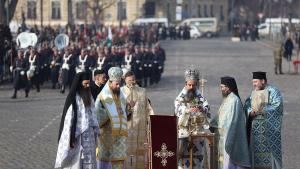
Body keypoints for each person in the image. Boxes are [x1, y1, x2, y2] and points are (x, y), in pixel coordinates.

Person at [55, 72, 99, 169]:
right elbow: (69, 120)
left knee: (90, 160)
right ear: (79, 84)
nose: (88, 86)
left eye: (89, 83)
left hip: (90, 134)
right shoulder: (73, 98)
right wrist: (71, 138)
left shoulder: (89, 96)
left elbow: (93, 114)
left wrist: (95, 130)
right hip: (77, 136)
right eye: (85, 84)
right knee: (77, 162)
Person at [244, 72, 283, 169]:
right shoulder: (254, 92)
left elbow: (277, 107)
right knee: (255, 155)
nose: (254, 84)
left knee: (270, 157)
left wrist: (262, 110)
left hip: (268, 131)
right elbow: (247, 106)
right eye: (253, 82)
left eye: (256, 82)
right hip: (256, 132)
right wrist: (250, 112)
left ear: (263, 81)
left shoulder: (273, 91)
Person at [210, 76, 250, 169]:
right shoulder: (227, 99)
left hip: (229, 137)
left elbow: (233, 121)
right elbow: (219, 116)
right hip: (222, 135)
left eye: (222, 87)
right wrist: (211, 124)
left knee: (228, 164)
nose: (221, 89)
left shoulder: (234, 100)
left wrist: (228, 136)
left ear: (228, 87)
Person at [174, 68, 210, 169]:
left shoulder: (200, 96)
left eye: (193, 85)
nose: (191, 87)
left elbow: (207, 108)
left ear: (196, 84)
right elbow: (177, 108)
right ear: (185, 84)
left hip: (197, 132)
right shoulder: (180, 96)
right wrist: (187, 110)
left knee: (197, 158)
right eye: (189, 85)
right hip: (184, 131)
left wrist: (201, 108)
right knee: (182, 156)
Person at [95, 67, 128, 169]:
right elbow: (97, 112)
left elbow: (124, 111)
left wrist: (129, 110)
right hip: (107, 133)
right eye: (116, 84)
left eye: (120, 84)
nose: (118, 86)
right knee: (106, 160)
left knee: (118, 159)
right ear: (110, 82)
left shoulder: (121, 95)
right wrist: (110, 114)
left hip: (120, 135)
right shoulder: (103, 96)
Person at [121, 71, 154, 169]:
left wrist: (152, 121)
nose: (132, 82)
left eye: (133, 80)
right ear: (125, 80)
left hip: (141, 128)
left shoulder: (142, 91)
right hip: (127, 127)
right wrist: (127, 107)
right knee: (126, 151)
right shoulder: (121, 91)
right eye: (129, 80)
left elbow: (148, 108)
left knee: (140, 152)